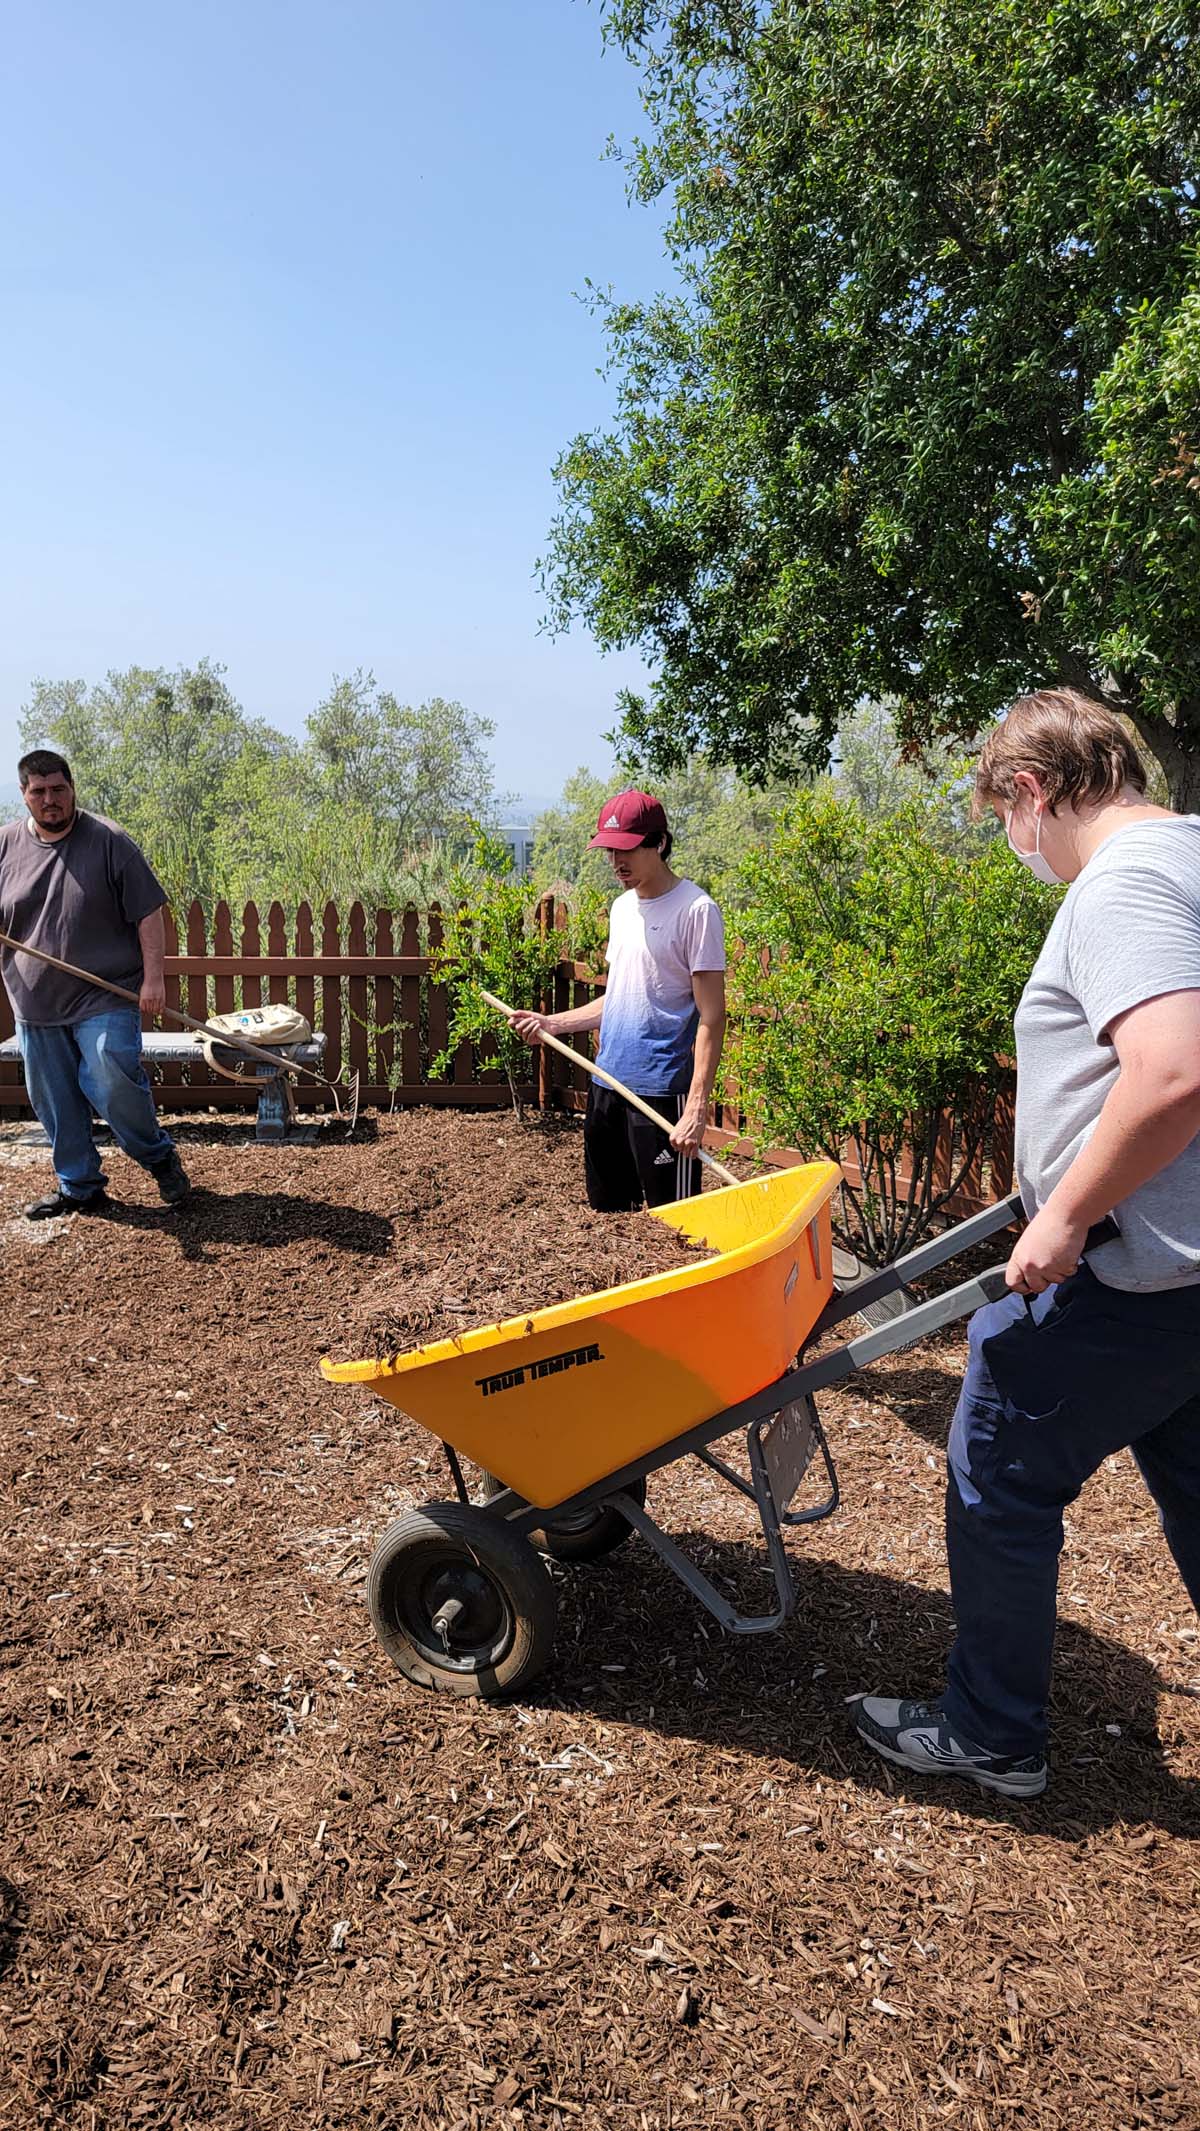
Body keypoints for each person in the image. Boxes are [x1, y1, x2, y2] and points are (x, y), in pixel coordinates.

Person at [856, 689, 1200, 1799]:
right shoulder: (1193, 856)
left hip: (1129, 1270)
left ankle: (993, 1734)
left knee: (998, 1460)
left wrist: (1061, 1211)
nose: (1018, 845)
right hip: (1186, 1271)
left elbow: (1173, 1069)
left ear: (1031, 791)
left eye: (1007, 817)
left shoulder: (1126, 884)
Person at [514, 788, 726, 1210]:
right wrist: (552, 1024)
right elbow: (620, 998)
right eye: (610, 851)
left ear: (660, 843)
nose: (616, 862)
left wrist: (697, 1108)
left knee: (677, 1225)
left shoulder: (696, 910)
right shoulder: (622, 908)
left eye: (626, 849)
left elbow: (712, 1016)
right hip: (607, 1084)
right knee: (611, 1218)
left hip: (663, 1091)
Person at [0, 750, 191, 1218]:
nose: (51, 800)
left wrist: (153, 979)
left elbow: (148, 912)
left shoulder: (109, 841)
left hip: (104, 992)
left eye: (59, 789)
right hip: (35, 1001)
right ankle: (79, 1185)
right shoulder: (5, 846)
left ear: (72, 789)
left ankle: (157, 1156)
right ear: (24, 795)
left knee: (109, 1072)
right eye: (39, 791)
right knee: (55, 1099)